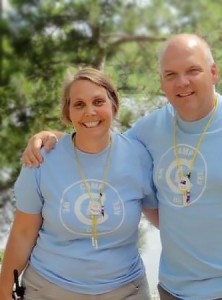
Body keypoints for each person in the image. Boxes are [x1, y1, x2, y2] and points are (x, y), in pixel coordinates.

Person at [19, 34, 222, 300]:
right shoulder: (149, 130)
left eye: (193, 71)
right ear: (162, 83)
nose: (182, 83)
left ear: (214, 73)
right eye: (171, 75)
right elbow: (98, 142)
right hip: (173, 290)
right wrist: (53, 138)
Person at [0, 67, 158, 300]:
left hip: (126, 290)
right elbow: (23, 233)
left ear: (113, 104)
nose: (90, 112)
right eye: (79, 104)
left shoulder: (140, 157)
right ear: (68, 112)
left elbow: (166, 220)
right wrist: (4, 291)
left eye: (98, 101)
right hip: (48, 290)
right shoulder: (41, 160)